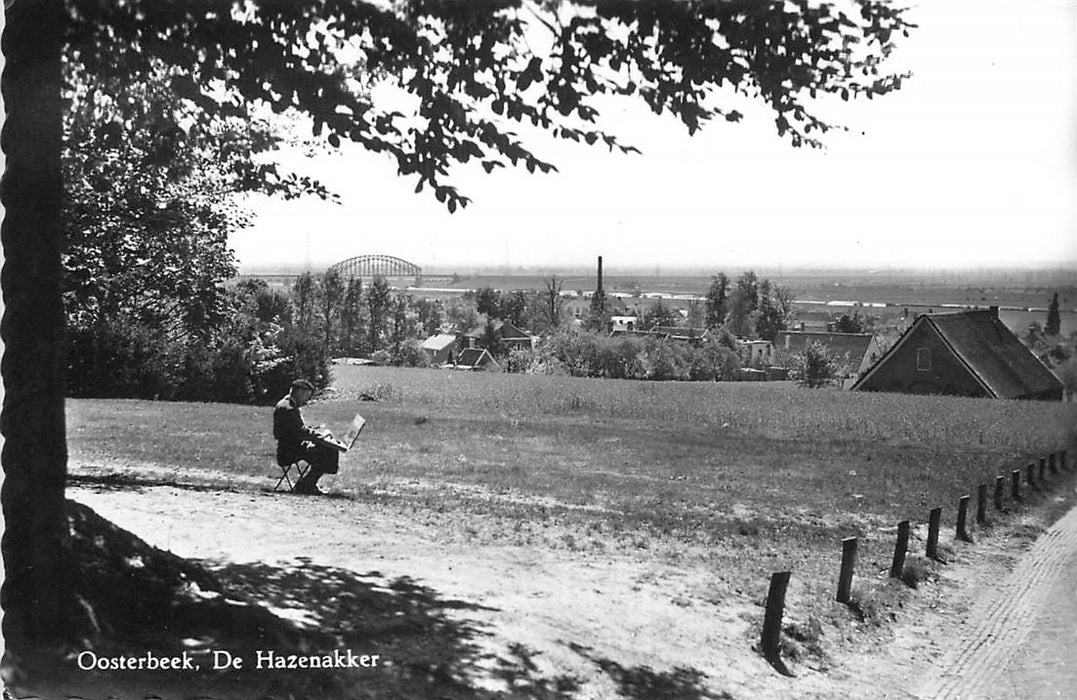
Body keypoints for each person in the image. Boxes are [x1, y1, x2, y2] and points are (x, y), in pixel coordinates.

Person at [273, 379, 339, 494]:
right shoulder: (289, 408)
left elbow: (297, 430)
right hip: (288, 452)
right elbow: (301, 432)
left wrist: (315, 433)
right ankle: (306, 485)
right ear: (299, 392)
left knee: (325, 448)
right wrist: (318, 436)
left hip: (290, 447)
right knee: (328, 451)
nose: (306, 400)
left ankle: (307, 484)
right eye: (306, 396)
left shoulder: (287, 403)